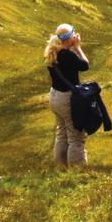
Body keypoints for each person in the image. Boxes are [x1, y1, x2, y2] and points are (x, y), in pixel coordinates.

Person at [45, 23, 91, 168]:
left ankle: (61, 167)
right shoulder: (67, 55)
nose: (75, 36)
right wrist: (78, 47)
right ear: (68, 38)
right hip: (66, 99)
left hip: (54, 97)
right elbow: (85, 65)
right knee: (75, 136)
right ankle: (77, 170)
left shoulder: (54, 52)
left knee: (62, 133)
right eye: (73, 34)